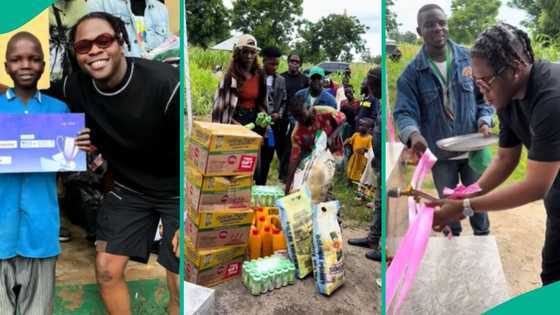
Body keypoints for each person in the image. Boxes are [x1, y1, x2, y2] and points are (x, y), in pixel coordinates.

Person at [2, 12, 182, 315]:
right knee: (107, 270)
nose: (95, 51)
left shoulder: (166, 85)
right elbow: (28, 95)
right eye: (84, 46)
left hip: (178, 188)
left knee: (179, 277)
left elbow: (195, 150)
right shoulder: (75, 88)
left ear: (121, 42)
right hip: (130, 189)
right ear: (76, 54)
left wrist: (192, 212)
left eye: (103, 41)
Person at [431, 23, 560, 286]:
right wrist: (464, 194)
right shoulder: (505, 97)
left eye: (486, 80)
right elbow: (505, 159)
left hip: (551, 182)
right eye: (476, 81)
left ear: (514, 67)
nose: (481, 89)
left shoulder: (551, 98)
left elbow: (536, 185)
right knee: (552, 277)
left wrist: (465, 207)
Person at [0, 32, 89, 315]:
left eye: (33, 59)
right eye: (16, 59)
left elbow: (64, 165)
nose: (25, 65)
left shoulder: (59, 110)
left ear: (43, 65)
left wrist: (77, 148)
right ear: (6, 67)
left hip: (41, 232)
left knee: (38, 311)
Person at [393, 4, 494, 237]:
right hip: (441, 157)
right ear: (419, 31)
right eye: (430, 25)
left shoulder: (470, 59)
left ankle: (483, 239)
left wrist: (484, 121)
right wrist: (413, 134)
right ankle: (453, 244)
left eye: (442, 22)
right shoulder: (411, 74)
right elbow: (404, 112)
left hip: (474, 152)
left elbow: (485, 98)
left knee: (478, 205)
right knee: (449, 210)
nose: (438, 28)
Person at [347, 66, 382, 261]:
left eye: (372, 84)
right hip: (378, 159)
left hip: (389, 161)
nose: (369, 87)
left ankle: (384, 245)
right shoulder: (378, 100)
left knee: (386, 203)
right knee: (378, 201)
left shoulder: (384, 103)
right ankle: (373, 238)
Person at [285, 96, 345, 193]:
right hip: (314, 158)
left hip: (334, 151)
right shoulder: (297, 134)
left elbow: (342, 119)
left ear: (308, 107)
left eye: (302, 114)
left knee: (326, 182)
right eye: (297, 117)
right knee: (314, 183)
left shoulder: (325, 111)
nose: (301, 119)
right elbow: (294, 160)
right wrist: (287, 188)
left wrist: (332, 137)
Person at [212, 34, 267, 127]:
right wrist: (235, 124)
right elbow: (220, 106)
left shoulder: (259, 75)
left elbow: (261, 101)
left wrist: (264, 113)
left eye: (252, 52)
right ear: (238, 53)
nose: (249, 56)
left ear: (255, 54)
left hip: (254, 121)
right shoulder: (230, 77)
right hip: (235, 120)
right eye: (245, 52)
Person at [86, 0, 169, 57]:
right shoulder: (97, 3)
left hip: (155, 73)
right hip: (122, 76)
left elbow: (167, 45)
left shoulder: (160, 7)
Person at [256, 46, 287, 185]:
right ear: (264, 61)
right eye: (271, 64)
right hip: (257, 124)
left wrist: (278, 114)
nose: (274, 67)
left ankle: (261, 185)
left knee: (268, 155)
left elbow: (284, 101)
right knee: (255, 156)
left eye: (277, 65)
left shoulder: (281, 80)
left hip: (273, 127)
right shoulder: (256, 76)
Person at [280, 52, 308, 181]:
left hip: (296, 119)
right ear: (288, 62)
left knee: (292, 146)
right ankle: (282, 173)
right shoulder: (281, 78)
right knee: (282, 147)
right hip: (281, 116)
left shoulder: (304, 80)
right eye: (292, 61)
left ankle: (290, 175)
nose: (294, 64)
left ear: (300, 64)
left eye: (297, 62)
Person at [345, 119, 373, 187]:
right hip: (354, 156)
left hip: (363, 158)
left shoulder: (370, 138)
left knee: (360, 171)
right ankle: (349, 182)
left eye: (363, 126)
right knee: (351, 168)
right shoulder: (356, 135)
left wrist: (365, 150)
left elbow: (370, 149)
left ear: (369, 129)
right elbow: (350, 140)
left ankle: (360, 184)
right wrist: (347, 142)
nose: (360, 127)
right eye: (360, 125)